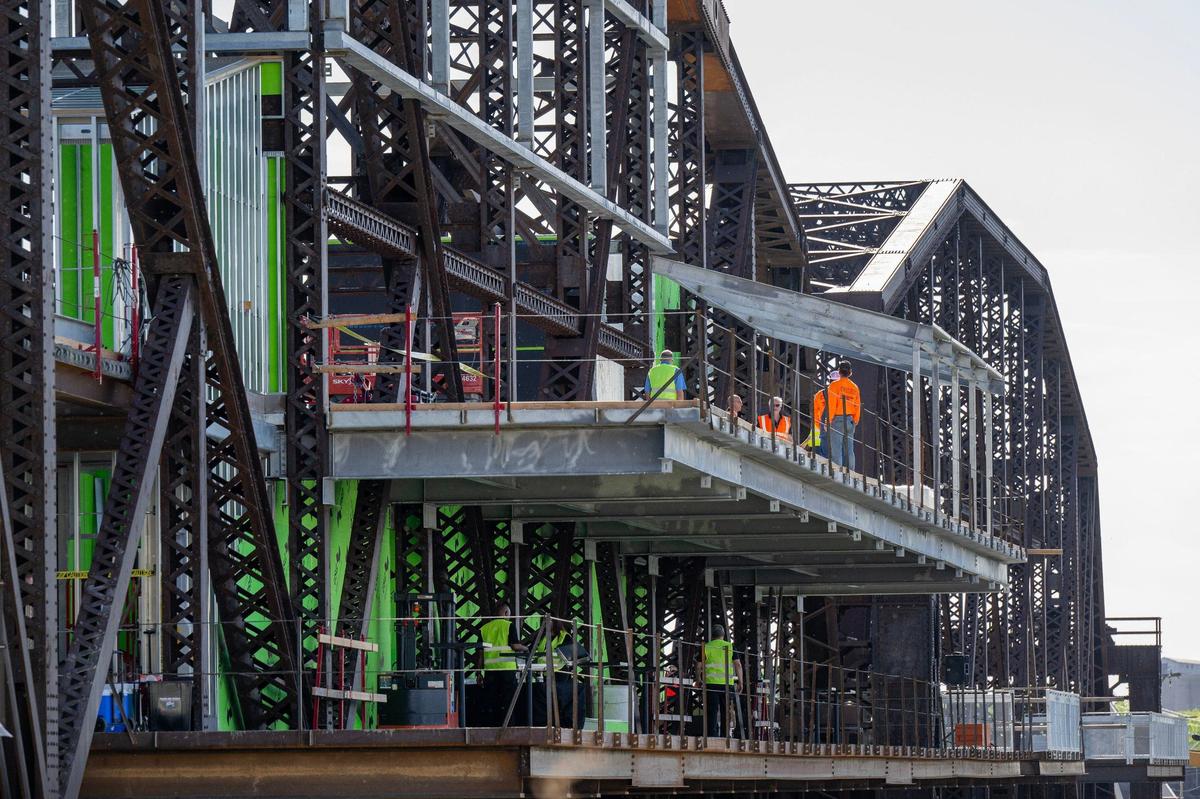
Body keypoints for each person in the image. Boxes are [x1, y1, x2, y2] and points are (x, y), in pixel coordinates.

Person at [479, 603, 528, 725]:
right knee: (508, 702)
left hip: (490, 671)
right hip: (507, 669)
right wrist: (527, 648)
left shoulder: (484, 628)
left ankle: (491, 728)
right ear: (506, 613)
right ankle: (508, 727)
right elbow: (515, 646)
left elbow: (480, 654)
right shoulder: (509, 626)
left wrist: (479, 673)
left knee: (492, 701)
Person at [698, 624, 743, 738]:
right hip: (727, 685)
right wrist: (740, 681)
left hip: (711, 684)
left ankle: (711, 736)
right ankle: (725, 735)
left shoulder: (706, 647)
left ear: (712, 635)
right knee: (726, 712)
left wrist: (698, 678)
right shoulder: (730, 646)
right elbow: (738, 664)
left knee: (712, 712)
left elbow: (699, 665)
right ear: (723, 635)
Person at [821, 360, 860, 470]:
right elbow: (857, 405)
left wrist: (827, 421)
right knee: (849, 449)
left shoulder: (834, 385)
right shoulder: (854, 387)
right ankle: (850, 472)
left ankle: (837, 471)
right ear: (850, 372)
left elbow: (832, 405)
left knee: (836, 448)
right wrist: (855, 420)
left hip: (838, 420)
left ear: (839, 371)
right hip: (850, 420)